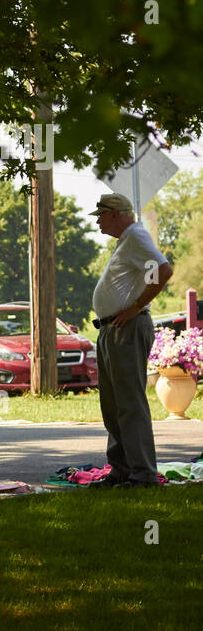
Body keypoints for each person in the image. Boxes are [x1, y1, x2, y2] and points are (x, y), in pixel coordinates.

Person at [90, 192, 173, 489]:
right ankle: (122, 470)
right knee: (113, 404)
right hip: (111, 329)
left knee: (129, 403)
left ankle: (143, 474)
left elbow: (164, 270)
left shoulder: (136, 236)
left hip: (127, 328)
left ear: (115, 213)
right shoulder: (126, 241)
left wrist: (136, 306)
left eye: (100, 215)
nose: (98, 221)